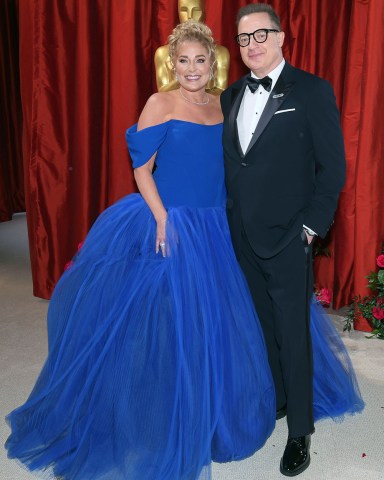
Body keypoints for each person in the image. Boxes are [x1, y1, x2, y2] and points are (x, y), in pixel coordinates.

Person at [5, 20, 276, 480]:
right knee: (162, 322)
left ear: (213, 63)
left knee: (212, 322)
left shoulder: (220, 103)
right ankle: (155, 412)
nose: (192, 68)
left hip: (214, 222)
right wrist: (163, 218)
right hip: (169, 219)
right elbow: (142, 170)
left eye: (200, 60)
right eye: (183, 60)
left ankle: (205, 410)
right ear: (173, 64)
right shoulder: (159, 103)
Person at [221, 3, 364, 477]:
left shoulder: (312, 90)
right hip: (242, 233)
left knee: (293, 334)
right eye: (243, 39)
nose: (252, 45)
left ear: (282, 38)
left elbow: (333, 169)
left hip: (288, 237)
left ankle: (300, 430)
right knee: (261, 327)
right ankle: (278, 401)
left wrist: (309, 228)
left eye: (261, 35)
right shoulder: (231, 94)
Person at [154, 0, 229, 94]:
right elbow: (162, 92)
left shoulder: (220, 52)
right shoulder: (162, 53)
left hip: (209, 107)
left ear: (204, 13)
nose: (190, 16)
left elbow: (222, 92)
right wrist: (186, 79)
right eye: (184, 10)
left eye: (196, 11)